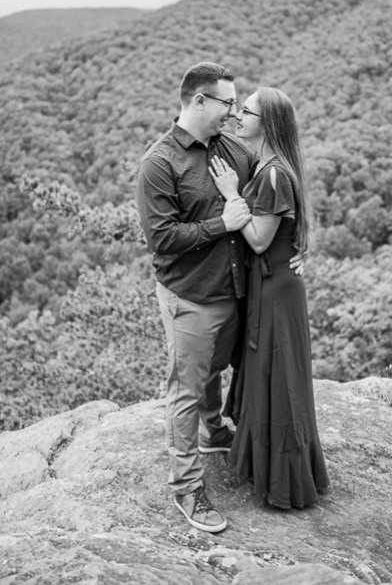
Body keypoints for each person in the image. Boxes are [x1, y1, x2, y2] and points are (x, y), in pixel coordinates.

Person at [135, 62, 302, 533]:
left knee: (219, 370)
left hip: (240, 290)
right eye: (228, 103)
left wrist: (294, 250)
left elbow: (272, 201)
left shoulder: (236, 149)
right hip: (190, 295)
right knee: (187, 388)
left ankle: (214, 430)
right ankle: (188, 487)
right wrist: (219, 224)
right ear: (199, 101)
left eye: (237, 105)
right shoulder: (159, 163)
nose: (233, 112)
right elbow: (162, 239)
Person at [208, 86, 328, 509]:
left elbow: (259, 240)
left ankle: (285, 480)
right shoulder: (267, 165)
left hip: (276, 289)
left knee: (280, 378)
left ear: (269, 121)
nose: (239, 115)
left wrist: (230, 196)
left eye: (247, 110)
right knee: (269, 374)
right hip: (271, 285)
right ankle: (269, 467)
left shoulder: (274, 173)